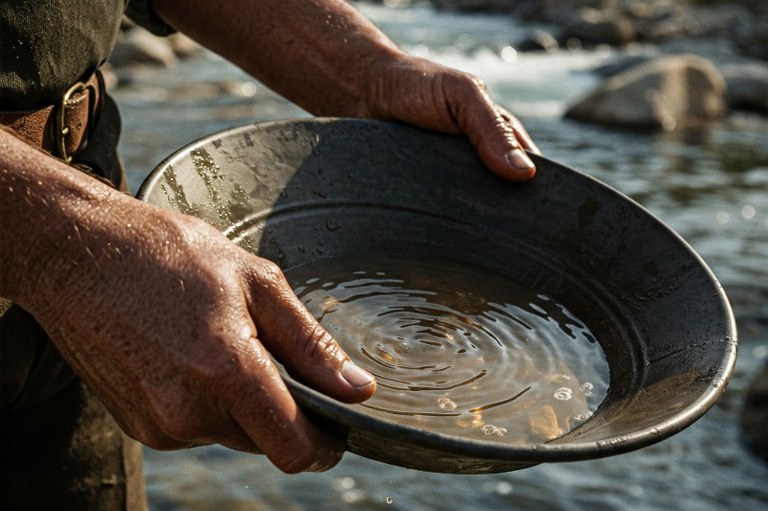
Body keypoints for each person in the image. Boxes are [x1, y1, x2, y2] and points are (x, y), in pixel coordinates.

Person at [0, 0, 539, 508]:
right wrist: (60, 246)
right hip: (82, 242)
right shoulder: (78, 253)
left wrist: (365, 74)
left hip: (94, 240)